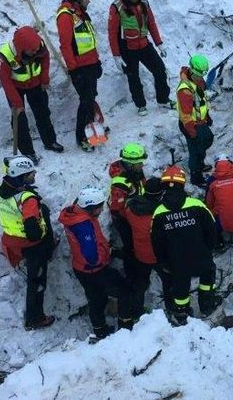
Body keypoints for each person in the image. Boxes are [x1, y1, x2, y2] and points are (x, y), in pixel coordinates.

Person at [59, 186, 134, 337]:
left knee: (96, 299)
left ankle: (100, 331)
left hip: (80, 268)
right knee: (125, 291)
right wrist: (105, 255)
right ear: (91, 208)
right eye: (100, 207)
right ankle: (126, 328)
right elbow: (90, 255)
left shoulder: (75, 214)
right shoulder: (84, 225)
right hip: (94, 270)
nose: (102, 210)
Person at [151, 166, 220, 326]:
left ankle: (181, 314)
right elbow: (211, 229)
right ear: (183, 184)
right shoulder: (197, 205)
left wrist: (164, 262)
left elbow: (156, 241)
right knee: (207, 278)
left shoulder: (159, 213)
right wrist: (209, 248)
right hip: (201, 255)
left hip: (177, 261)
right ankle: (207, 305)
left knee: (180, 287)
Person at [0, 155, 56, 330]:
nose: (34, 174)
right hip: (31, 246)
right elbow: (32, 228)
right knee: (36, 281)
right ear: (21, 176)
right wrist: (40, 237)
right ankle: (35, 318)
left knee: (43, 209)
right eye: (30, 173)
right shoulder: (27, 199)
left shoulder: (3, 188)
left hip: (12, 238)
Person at [108, 0, 172, 116]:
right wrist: (116, 55)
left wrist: (159, 43)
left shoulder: (144, 2)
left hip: (144, 44)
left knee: (160, 70)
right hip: (127, 47)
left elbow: (151, 23)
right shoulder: (116, 7)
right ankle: (140, 104)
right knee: (134, 77)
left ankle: (163, 99)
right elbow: (112, 34)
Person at [0, 27, 63, 162]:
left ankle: (50, 141)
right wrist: (17, 103)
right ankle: (28, 152)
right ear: (22, 49)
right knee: (20, 120)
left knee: (43, 113)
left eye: (36, 49)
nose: (35, 52)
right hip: (16, 88)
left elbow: (45, 58)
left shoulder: (38, 45)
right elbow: (6, 82)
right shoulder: (5, 55)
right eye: (32, 51)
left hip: (35, 83)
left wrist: (44, 79)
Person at [57, 0, 102, 151]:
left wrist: (96, 61)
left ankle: (91, 128)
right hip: (80, 67)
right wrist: (73, 69)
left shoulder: (79, 12)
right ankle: (82, 136)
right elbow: (66, 45)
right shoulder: (66, 15)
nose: (89, 0)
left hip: (90, 63)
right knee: (86, 100)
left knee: (90, 98)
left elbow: (89, 40)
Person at [122, 177, 173, 319]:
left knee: (140, 284)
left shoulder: (131, 209)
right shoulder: (161, 213)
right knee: (169, 282)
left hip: (140, 255)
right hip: (159, 256)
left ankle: (137, 311)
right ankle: (172, 308)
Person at [108, 142, 147, 278]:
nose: (142, 165)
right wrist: (134, 216)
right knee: (130, 247)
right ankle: (131, 273)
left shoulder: (135, 172)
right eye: (139, 163)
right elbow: (116, 208)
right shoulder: (120, 183)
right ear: (130, 164)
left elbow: (143, 186)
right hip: (125, 220)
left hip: (137, 212)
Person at [177, 55, 213, 186]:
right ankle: (196, 176)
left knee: (207, 139)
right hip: (190, 124)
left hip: (200, 121)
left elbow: (201, 101)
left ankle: (200, 163)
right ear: (192, 70)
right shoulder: (185, 90)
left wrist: (207, 116)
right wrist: (191, 130)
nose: (200, 78)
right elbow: (185, 114)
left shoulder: (199, 80)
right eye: (198, 75)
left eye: (202, 75)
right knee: (195, 150)